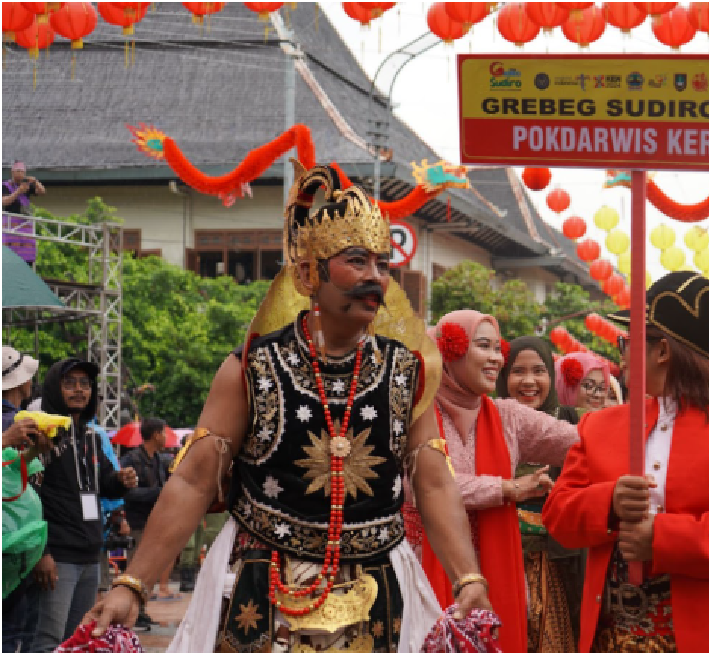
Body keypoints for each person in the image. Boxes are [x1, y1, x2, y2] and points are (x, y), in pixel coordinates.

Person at [82, 163, 491, 652]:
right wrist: (134, 584)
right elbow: (192, 480)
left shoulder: (409, 372)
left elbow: (433, 478)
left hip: (379, 588)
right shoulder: (251, 368)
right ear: (306, 274)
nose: (374, 278)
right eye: (356, 261)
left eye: (382, 265)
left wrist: (467, 577)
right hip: (265, 586)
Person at [544, 271, 709, 652]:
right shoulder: (599, 426)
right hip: (612, 638)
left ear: (662, 351)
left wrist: (663, 538)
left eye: (627, 341)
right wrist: (608, 502)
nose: (620, 351)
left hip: (708, 638)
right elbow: (558, 515)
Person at [406, 311, 580, 653]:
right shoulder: (415, 409)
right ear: (449, 350)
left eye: (497, 348)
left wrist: (638, 422)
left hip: (494, 567)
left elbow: (580, 441)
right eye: (483, 346)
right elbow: (423, 486)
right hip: (425, 565)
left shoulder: (507, 415)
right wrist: (507, 489)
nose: (497, 358)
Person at [31, 359, 137, 653]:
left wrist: (121, 479)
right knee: (47, 641)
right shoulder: (41, 435)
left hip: (90, 553)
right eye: (70, 383)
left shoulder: (90, 436)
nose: (79, 390)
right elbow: (30, 497)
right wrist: (43, 552)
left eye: (85, 383)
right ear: (54, 387)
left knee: (77, 640)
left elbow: (102, 483)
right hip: (57, 557)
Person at [497, 336, 582, 653]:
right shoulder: (488, 423)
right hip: (499, 561)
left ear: (552, 376)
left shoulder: (571, 423)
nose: (528, 381)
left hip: (557, 567)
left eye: (539, 371)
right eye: (518, 371)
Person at [2, 346, 48, 653]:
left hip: (15, 541)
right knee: (10, 632)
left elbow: (11, 472)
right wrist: (6, 438)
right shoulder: (12, 421)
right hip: (9, 543)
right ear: (23, 383)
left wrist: (35, 451)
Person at [119, 418, 177, 601]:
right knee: (135, 569)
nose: (166, 437)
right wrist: (157, 492)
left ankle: (141, 608)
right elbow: (127, 493)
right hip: (136, 522)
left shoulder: (160, 460)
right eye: (164, 433)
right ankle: (131, 607)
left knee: (149, 569)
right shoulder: (131, 459)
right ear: (155, 435)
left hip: (154, 522)